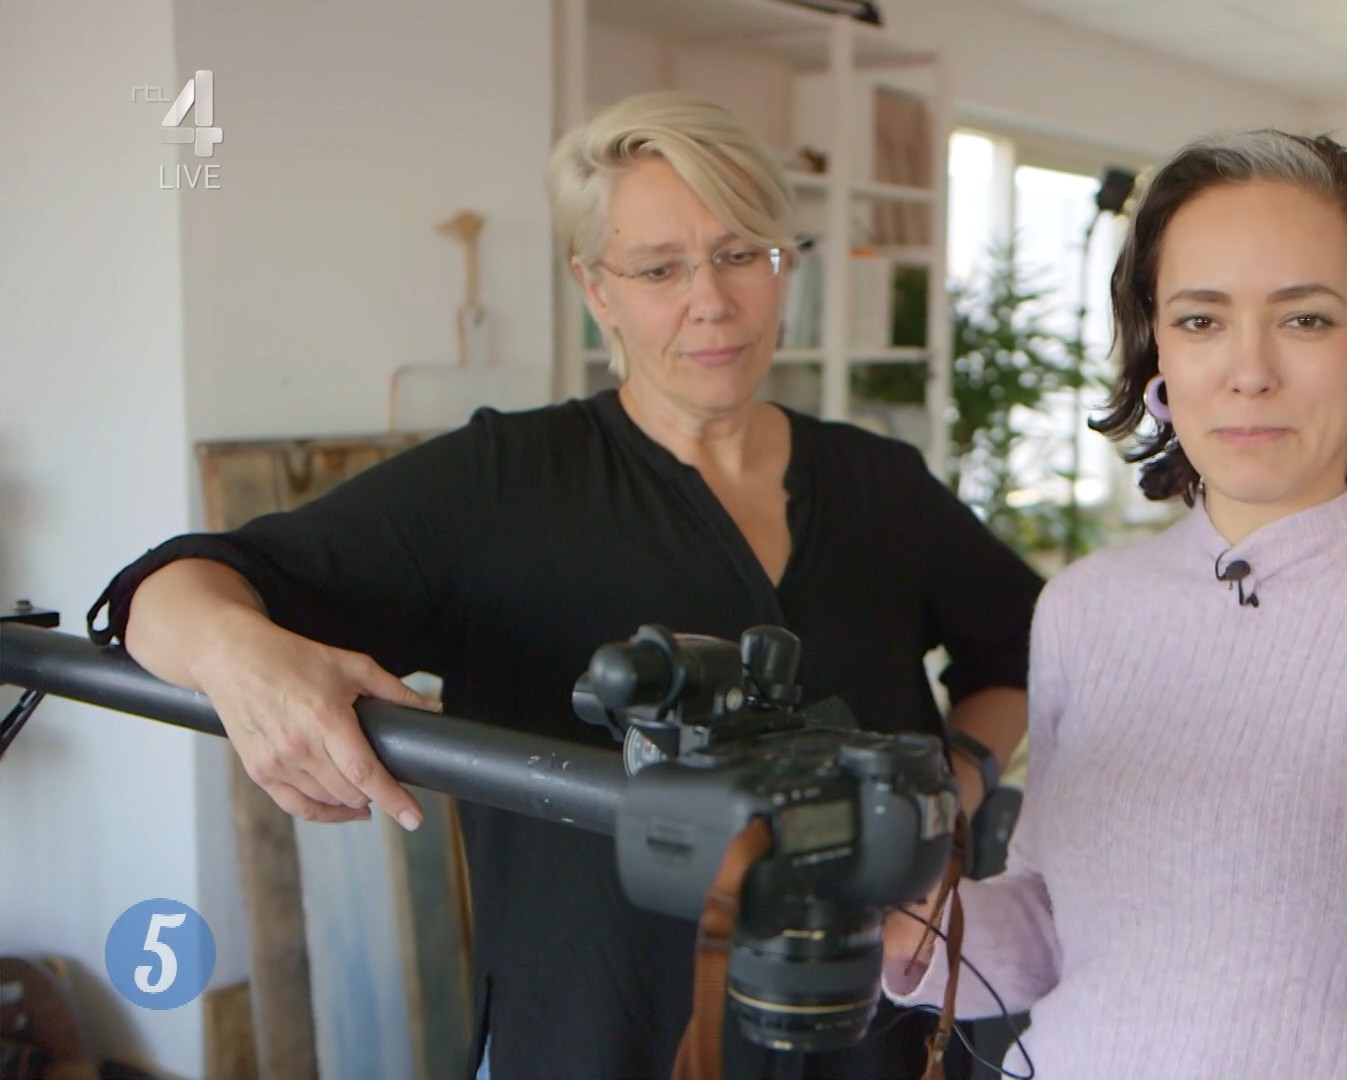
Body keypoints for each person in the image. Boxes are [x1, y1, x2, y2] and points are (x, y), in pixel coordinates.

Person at [87, 91, 1041, 1080]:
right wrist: (243, 660)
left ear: (782, 266)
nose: (711, 301)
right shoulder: (502, 484)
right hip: (597, 1037)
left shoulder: (878, 483)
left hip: (872, 1035)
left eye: (741, 254)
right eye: (660, 268)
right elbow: (165, 593)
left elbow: (1025, 646)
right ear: (596, 288)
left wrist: (952, 789)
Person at [883, 129, 1347, 1079]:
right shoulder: (1084, 608)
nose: (1250, 369)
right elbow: (1055, 927)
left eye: (1304, 319)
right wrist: (911, 934)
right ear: (1157, 342)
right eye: (1201, 320)